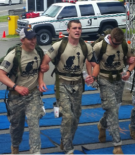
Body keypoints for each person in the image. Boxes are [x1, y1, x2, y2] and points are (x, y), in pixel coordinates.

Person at [38, 20, 99, 155]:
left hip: (77, 85)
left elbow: (96, 64)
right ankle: (68, 147)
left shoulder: (86, 47)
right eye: (74, 28)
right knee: (68, 116)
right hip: (62, 84)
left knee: (76, 116)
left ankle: (65, 139)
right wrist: (41, 80)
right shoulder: (59, 45)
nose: (77, 31)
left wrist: (93, 76)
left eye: (79, 28)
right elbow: (44, 62)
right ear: (68, 30)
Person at [0, 28, 46, 155]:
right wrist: (16, 87)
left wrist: (40, 81)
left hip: (33, 94)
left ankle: (36, 152)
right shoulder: (13, 55)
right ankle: (15, 148)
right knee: (16, 127)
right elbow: (1, 75)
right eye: (30, 39)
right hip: (16, 97)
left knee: (34, 125)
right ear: (22, 40)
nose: (33, 41)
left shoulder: (39, 51)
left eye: (34, 38)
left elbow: (41, 68)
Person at [87, 28, 135, 155]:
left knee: (114, 109)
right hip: (104, 80)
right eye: (114, 43)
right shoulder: (99, 46)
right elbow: (89, 60)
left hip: (119, 80)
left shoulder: (124, 45)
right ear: (110, 38)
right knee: (113, 110)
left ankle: (102, 125)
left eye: (119, 43)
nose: (116, 45)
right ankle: (117, 144)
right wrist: (92, 75)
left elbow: (133, 58)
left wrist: (129, 71)